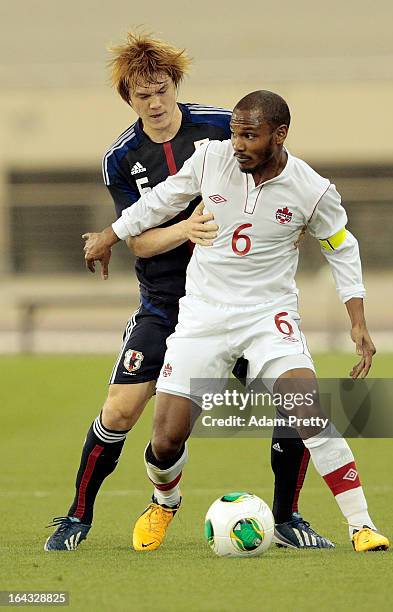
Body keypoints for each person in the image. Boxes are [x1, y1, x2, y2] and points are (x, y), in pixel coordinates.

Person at [45, 34, 331, 551]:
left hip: (240, 300)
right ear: (127, 99)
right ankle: (81, 517)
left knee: (297, 402)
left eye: (161, 90)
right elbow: (140, 239)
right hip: (165, 303)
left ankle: (288, 518)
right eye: (141, 95)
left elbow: (282, 175)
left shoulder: (223, 125)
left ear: (175, 85)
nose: (154, 103)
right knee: (122, 412)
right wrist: (186, 230)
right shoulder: (120, 158)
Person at [83, 90, 390, 553]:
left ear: (279, 135)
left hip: (268, 316)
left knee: (306, 407)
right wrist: (110, 234)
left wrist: (358, 320)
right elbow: (160, 202)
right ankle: (166, 500)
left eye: (249, 135)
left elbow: (342, 246)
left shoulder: (312, 189)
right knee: (166, 441)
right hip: (203, 313)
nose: (238, 144)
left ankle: (361, 525)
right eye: (234, 133)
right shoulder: (211, 159)